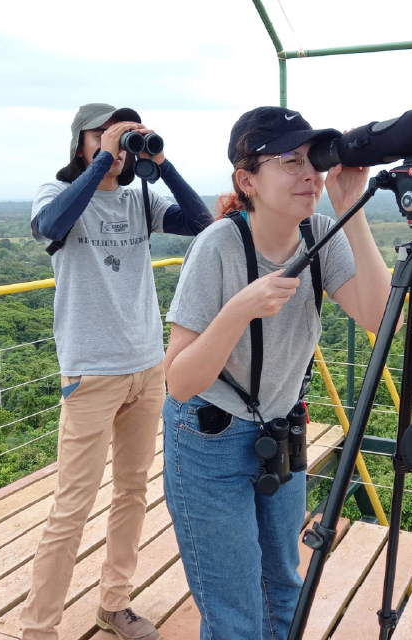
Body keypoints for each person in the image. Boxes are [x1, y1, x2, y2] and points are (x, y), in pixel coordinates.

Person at [161, 106, 394, 639]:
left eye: (311, 160)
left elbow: (382, 320)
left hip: (281, 432)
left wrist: (350, 210)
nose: (308, 175)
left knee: (285, 588)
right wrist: (239, 309)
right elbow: (178, 381)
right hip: (206, 437)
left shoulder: (320, 233)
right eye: (289, 162)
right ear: (248, 180)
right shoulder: (218, 246)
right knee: (236, 611)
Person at [20, 103, 211, 640]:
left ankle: (114, 603)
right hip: (91, 372)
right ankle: (38, 626)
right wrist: (100, 162)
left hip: (148, 366)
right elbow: (49, 227)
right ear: (79, 141)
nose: (118, 144)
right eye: (104, 134)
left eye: (125, 135)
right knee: (72, 505)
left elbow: (202, 223)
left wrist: (162, 163)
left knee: (132, 492)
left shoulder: (138, 201)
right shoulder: (54, 195)